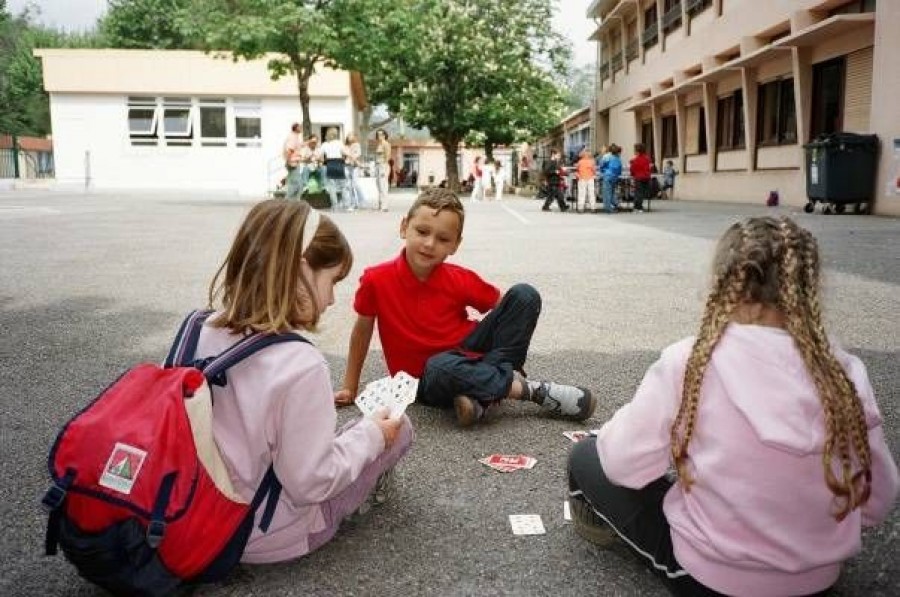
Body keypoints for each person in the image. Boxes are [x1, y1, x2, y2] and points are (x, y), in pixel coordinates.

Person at [567, 216, 899, 597]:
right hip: (817, 579)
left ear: (724, 283)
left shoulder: (689, 360)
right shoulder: (844, 371)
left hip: (710, 579)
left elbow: (623, 464)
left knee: (586, 456)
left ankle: (600, 527)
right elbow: (878, 499)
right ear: (809, 288)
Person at [195, 199, 414, 564]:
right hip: (263, 535)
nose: (330, 299)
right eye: (331, 281)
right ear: (299, 272)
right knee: (398, 425)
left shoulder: (198, 327)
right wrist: (375, 435)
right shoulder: (301, 363)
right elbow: (311, 483)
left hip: (195, 515)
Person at [335, 187, 596, 428]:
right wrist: (350, 385)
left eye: (443, 238)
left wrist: (505, 335)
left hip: (471, 353)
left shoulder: (459, 278)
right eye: (422, 232)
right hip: (425, 379)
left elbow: (505, 308)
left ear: (455, 245)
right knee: (440, 366)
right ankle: (527, 390)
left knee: (525, 295)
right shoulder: (375, 279)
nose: (429, 244)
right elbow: (362, 333)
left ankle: (481, 395)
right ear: (404, 227)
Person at [321, 128, 350, 211]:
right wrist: (347, 159)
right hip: (339, 163)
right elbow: (346, 153)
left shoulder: (325, 144)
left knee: (332, 187)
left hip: (330, 164)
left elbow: (319, 156)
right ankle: (346, 205)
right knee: (343, 186)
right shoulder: (339, 143)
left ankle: (335, 206)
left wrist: (322, 161)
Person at [345, 132, 366, 210]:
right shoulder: (345, 146)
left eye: (352, 136)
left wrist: (352, 156)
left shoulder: (357, 145)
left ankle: (362, 200)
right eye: (349, 136)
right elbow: (344, 154)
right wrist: (350, 156)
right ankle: (352, 204)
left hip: (354, 166)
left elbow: (358, 154)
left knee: (355, 184)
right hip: (347, 166)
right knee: (349, 186)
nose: (350, 138)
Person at [629, 143, 652, 213]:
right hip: (646, 177)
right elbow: (649, 168)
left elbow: (632, 169)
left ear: (637, 151)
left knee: (638, 193)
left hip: (639, 177)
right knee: (642, 193)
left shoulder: (636, 160)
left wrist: (632, 174)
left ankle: (637, 207)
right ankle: (640, 207)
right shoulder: (647, 158)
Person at [283, 123, 303, 199]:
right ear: (296, 128)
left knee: (293, 184)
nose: (301, 128)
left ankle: (291, 203)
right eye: (300, 127)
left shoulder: (295, 137)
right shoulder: (293, 137)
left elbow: (299, 145)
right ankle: (289, 202)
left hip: (293, 162)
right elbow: (290, 150)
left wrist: (309, 141)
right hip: (293, 163)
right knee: (297, 185)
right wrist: (288, 162)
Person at [601, 144, 622, 214]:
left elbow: (602, 165)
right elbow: (619, 169)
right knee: (612, 192)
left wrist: (603, 170)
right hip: (615, 177)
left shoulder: (606, 156)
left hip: (607, 175)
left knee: (607, 192)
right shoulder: (618, 158)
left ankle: (608, 208)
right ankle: (615, 204)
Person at [373, 129, 391, 212]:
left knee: (383, 186)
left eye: (381, 134)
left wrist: (384, 168)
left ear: (384, 135)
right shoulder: (378, 144)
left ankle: (385, 206)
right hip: (377, 165)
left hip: (383, 165)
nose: (379, 136)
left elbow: (387, 156)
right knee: (379, 186)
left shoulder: (386, 144)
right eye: (378, 134)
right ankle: (380, 205)